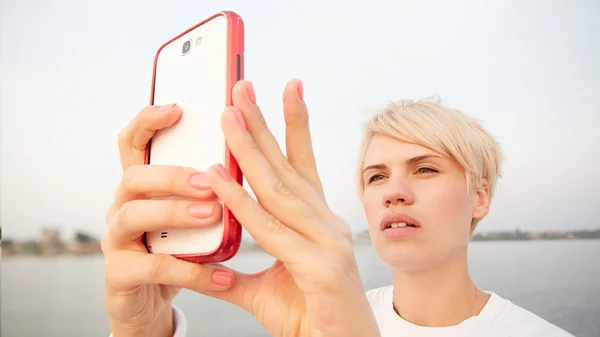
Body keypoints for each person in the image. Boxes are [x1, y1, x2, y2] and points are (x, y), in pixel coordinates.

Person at [103, 79, 575, 337]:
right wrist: (142, 335)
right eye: (375, 176)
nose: (394, 191)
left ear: (480, 196)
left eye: (425, 169)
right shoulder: (312, 320)